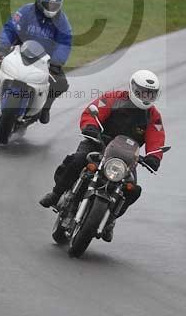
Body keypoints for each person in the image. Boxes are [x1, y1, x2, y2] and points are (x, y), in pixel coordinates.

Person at [39, 69, 166, 241]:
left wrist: (154, 157)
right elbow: (93, 111)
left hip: (126, 158)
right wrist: (91, 126)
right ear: (133, 88)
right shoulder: (114, 98)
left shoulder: (153, 116)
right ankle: (55, 194)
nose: (146, 96)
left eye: (150, 94)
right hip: (98, 143)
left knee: (132, 189)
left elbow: (157, 137)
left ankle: (110, 220)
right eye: (142, 92)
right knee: (77, 160)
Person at [0, 0, 72, 124]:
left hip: (45, 60)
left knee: (61, 83)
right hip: (19, 51)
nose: (51, 8)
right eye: (48, 4)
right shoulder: (26, 11)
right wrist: (3, 47)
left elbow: (65, 43)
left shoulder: (62, 21)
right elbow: (10, 28)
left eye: (54, 5)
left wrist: (56, 63)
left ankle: (45, 108)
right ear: (39, 1)